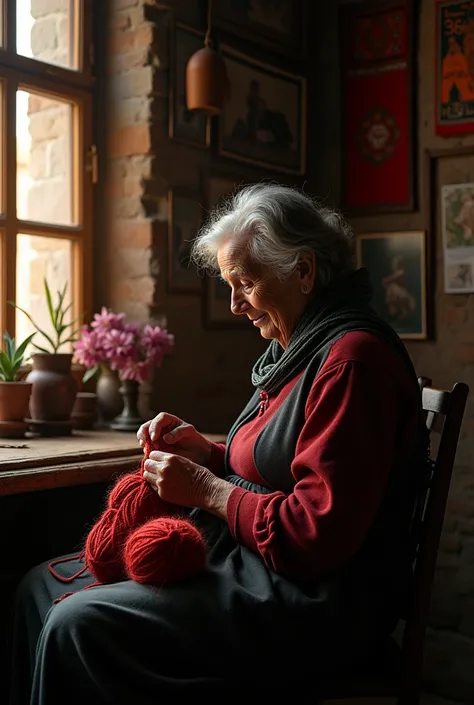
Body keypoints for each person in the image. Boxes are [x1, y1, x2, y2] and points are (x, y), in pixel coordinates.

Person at [9, 184, 430, 704]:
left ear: (303, 271)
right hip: (257, 566)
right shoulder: (297, 350)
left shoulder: (351, 362)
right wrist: (204, 453)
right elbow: (271, 467)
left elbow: (314, 534)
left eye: (246, 284)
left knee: (78, 622)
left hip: (312, 602)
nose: (234, 304)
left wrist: (206, 488)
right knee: (37, 587)